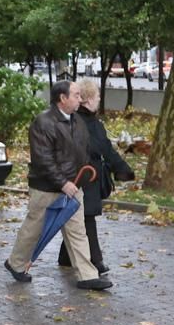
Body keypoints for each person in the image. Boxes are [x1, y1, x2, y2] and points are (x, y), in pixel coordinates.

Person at [4, 80, 109, 291]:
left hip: (74, 187)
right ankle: (15, 263)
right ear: (63, 98)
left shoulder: (77, 121)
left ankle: (87, 276)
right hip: (46, 189)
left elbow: (83, 152)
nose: (81, 99)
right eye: (76, 95)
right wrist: (63, 183)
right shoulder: (43, 123)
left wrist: (78, 181)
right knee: (34, 229)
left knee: (78, 231)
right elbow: (43, 159)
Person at [56, 80, 136, 279]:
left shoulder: (86, 121)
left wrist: (122, 169)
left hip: (85, 176)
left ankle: (66, 256)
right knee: (86, 217)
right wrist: (122, 168)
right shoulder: (82, 123)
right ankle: (95, 260)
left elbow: (105, 148)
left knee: (78, 217)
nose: (100, 99)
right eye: (98, 96)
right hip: (83, 176)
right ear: (89, 99)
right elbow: (102, 148)